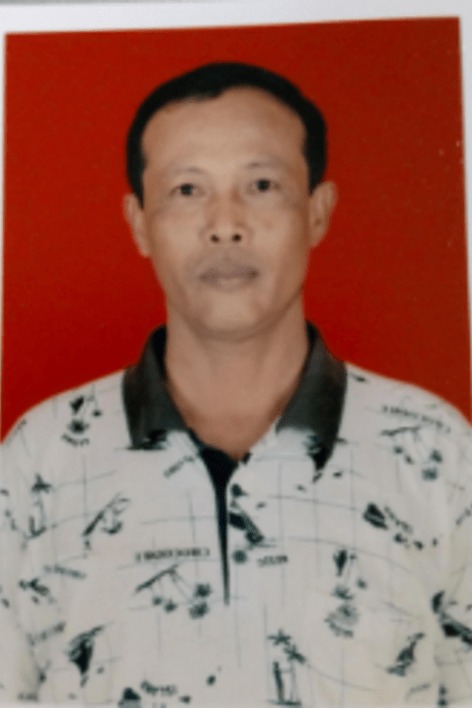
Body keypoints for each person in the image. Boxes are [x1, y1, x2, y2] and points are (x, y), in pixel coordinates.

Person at [1, 61, 471, 706]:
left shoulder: (436, 450)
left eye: (261, 184)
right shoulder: (40, 457)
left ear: (317, 212)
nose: (225, 224)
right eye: (187, 189)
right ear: (139, 223)